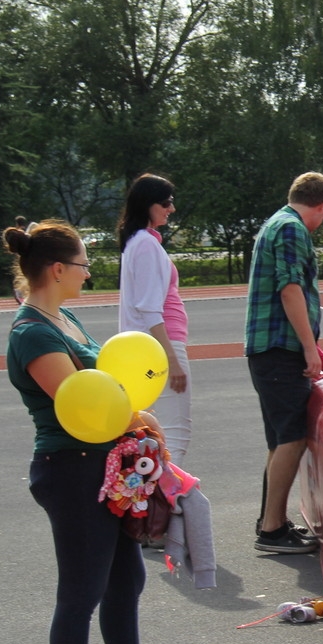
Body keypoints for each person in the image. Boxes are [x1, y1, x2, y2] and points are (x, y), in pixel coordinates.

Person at [3, 220, 185, 644]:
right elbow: (77, 400)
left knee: (125, 580)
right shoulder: (33, 332)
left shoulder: (65, 319)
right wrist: (139, 418)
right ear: (57, 269)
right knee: (80, 592)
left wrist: (134, 421)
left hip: (103, 469)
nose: (88, 272)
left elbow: (108, 382)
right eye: (83, 264)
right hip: (71, 469)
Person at [244, 171, 323, 554]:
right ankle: (271, 530)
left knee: (279, 439)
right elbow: (290, 288)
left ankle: (273, 518)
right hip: (279, 349)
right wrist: (309, 349)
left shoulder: (276, 223)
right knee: (292, 438)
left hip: (271, 349)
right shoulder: (292, 229)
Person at [117, 174, 191, 461]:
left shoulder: (138, 242)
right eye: (166, 202)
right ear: (148, 204)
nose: (171, 208)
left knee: (158, 432)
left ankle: (159, 498)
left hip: (149, 347)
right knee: (175, 433)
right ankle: (168, 500)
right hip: (160, 346)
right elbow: (148, 308)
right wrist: (172, 360)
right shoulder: (145, 245)